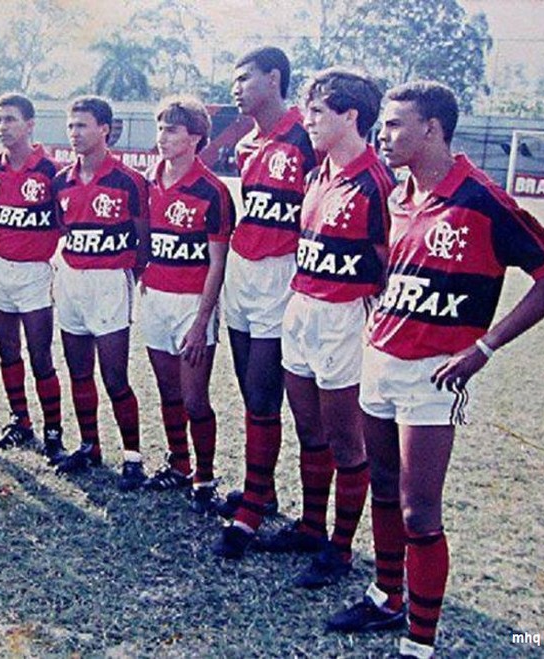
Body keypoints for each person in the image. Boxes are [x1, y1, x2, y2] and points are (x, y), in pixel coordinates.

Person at [326, 81, 544, 659]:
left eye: (397, 124)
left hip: (435, 375)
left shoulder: (482, 199)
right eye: (383, 124)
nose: (384, 134)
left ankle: (420, 643)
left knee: (418, 510)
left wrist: (487, 346)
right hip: (379, 359)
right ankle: (385, 597)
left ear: (432, 129)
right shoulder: (397, 195)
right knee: (382, 483)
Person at [223, 70, 393, 584]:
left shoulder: (376, 181)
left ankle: (340, 550)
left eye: (319, 112)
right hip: (301, 306)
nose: (309, 121)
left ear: (351, 116)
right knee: (308, 428)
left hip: (344, 316)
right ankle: (311, 526)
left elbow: (387, 265)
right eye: (309, 110)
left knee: (347, 440)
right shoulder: (319, 176)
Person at [216, 46, 318, 537]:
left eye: (245, 78)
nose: (236, 87)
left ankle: (255, 505)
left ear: (274, 79)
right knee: (249, 391)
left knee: (263, 392)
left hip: (283, 274)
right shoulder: (245, 145)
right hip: (243, 271)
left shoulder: (307, 137)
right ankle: (263, 486)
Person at [139, 96, 235, 508]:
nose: (163, 137)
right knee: (168, 392)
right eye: (160, 128)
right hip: (155, 300)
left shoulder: (211, 190)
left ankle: (206, 477)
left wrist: (202, 321)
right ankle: (179, 464)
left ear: (196, 137)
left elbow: (217, 263)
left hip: (192, 306)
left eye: (173, 129)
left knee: (195, 399)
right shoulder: (148, 181)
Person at [51, 96, 149, 485]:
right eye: (71, 126)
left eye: (83, 126)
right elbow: (64, 229)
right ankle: (89, 445)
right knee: (79, 372)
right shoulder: (61, 181)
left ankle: (132, 457)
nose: (75, 133)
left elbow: (143, 240)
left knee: (115, 377)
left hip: (111, 282)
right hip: (72, 280)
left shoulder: (129, 180)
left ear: (104, 129)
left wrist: (127, 275)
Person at [0, 93, 66, 463]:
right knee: (7, 351)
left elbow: (66, 221)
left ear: (30, 125)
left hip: (35, 273)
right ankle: (21, 420)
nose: (3, 127)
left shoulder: (52, 172)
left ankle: (53, 430)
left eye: (10, 120)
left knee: (40, 355)